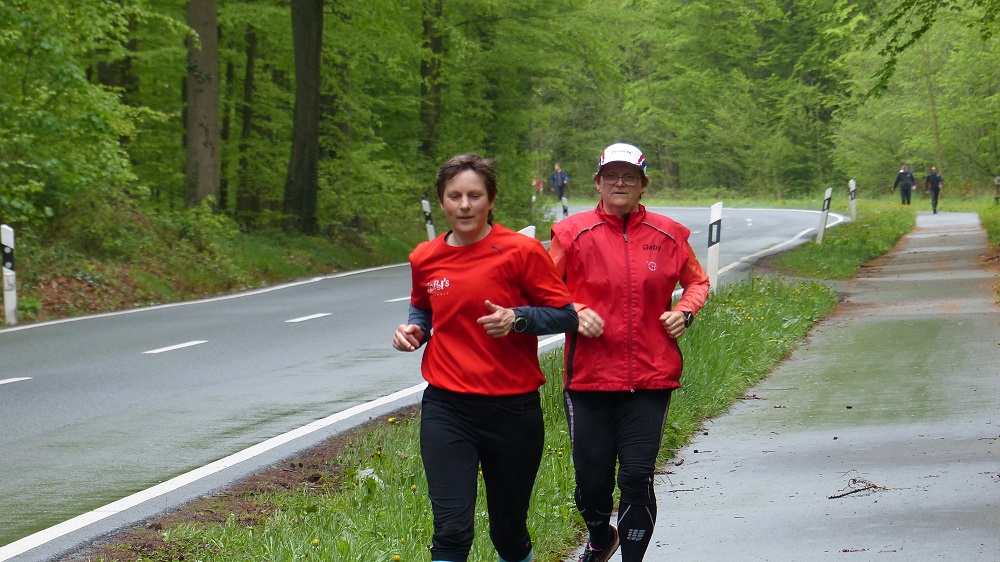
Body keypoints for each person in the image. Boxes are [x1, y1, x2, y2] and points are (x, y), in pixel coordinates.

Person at [393, 153, 578, 562]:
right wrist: (415, 330)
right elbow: (422, 306)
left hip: (513, 410)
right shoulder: (425, 257)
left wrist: (518, 318)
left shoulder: (521, 251)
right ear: (442, 201)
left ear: (491, 200)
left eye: (474, 196)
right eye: (454, 196)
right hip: (447, 408)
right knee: (452, 530)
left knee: (508, 533)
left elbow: (566, 315)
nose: (464, 205)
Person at [549, 143, 710, 562]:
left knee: (637, 477)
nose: (619, 183)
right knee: (592, 483)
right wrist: (573, 310)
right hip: (588, 380)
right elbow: (542, 288)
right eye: (612, 175)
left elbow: (697, 282)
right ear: (597, 182)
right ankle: (600, 537)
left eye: (629, 177)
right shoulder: (571, 233)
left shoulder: (669, 234)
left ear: (643, 185)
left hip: (651, 377)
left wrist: (685, 311)